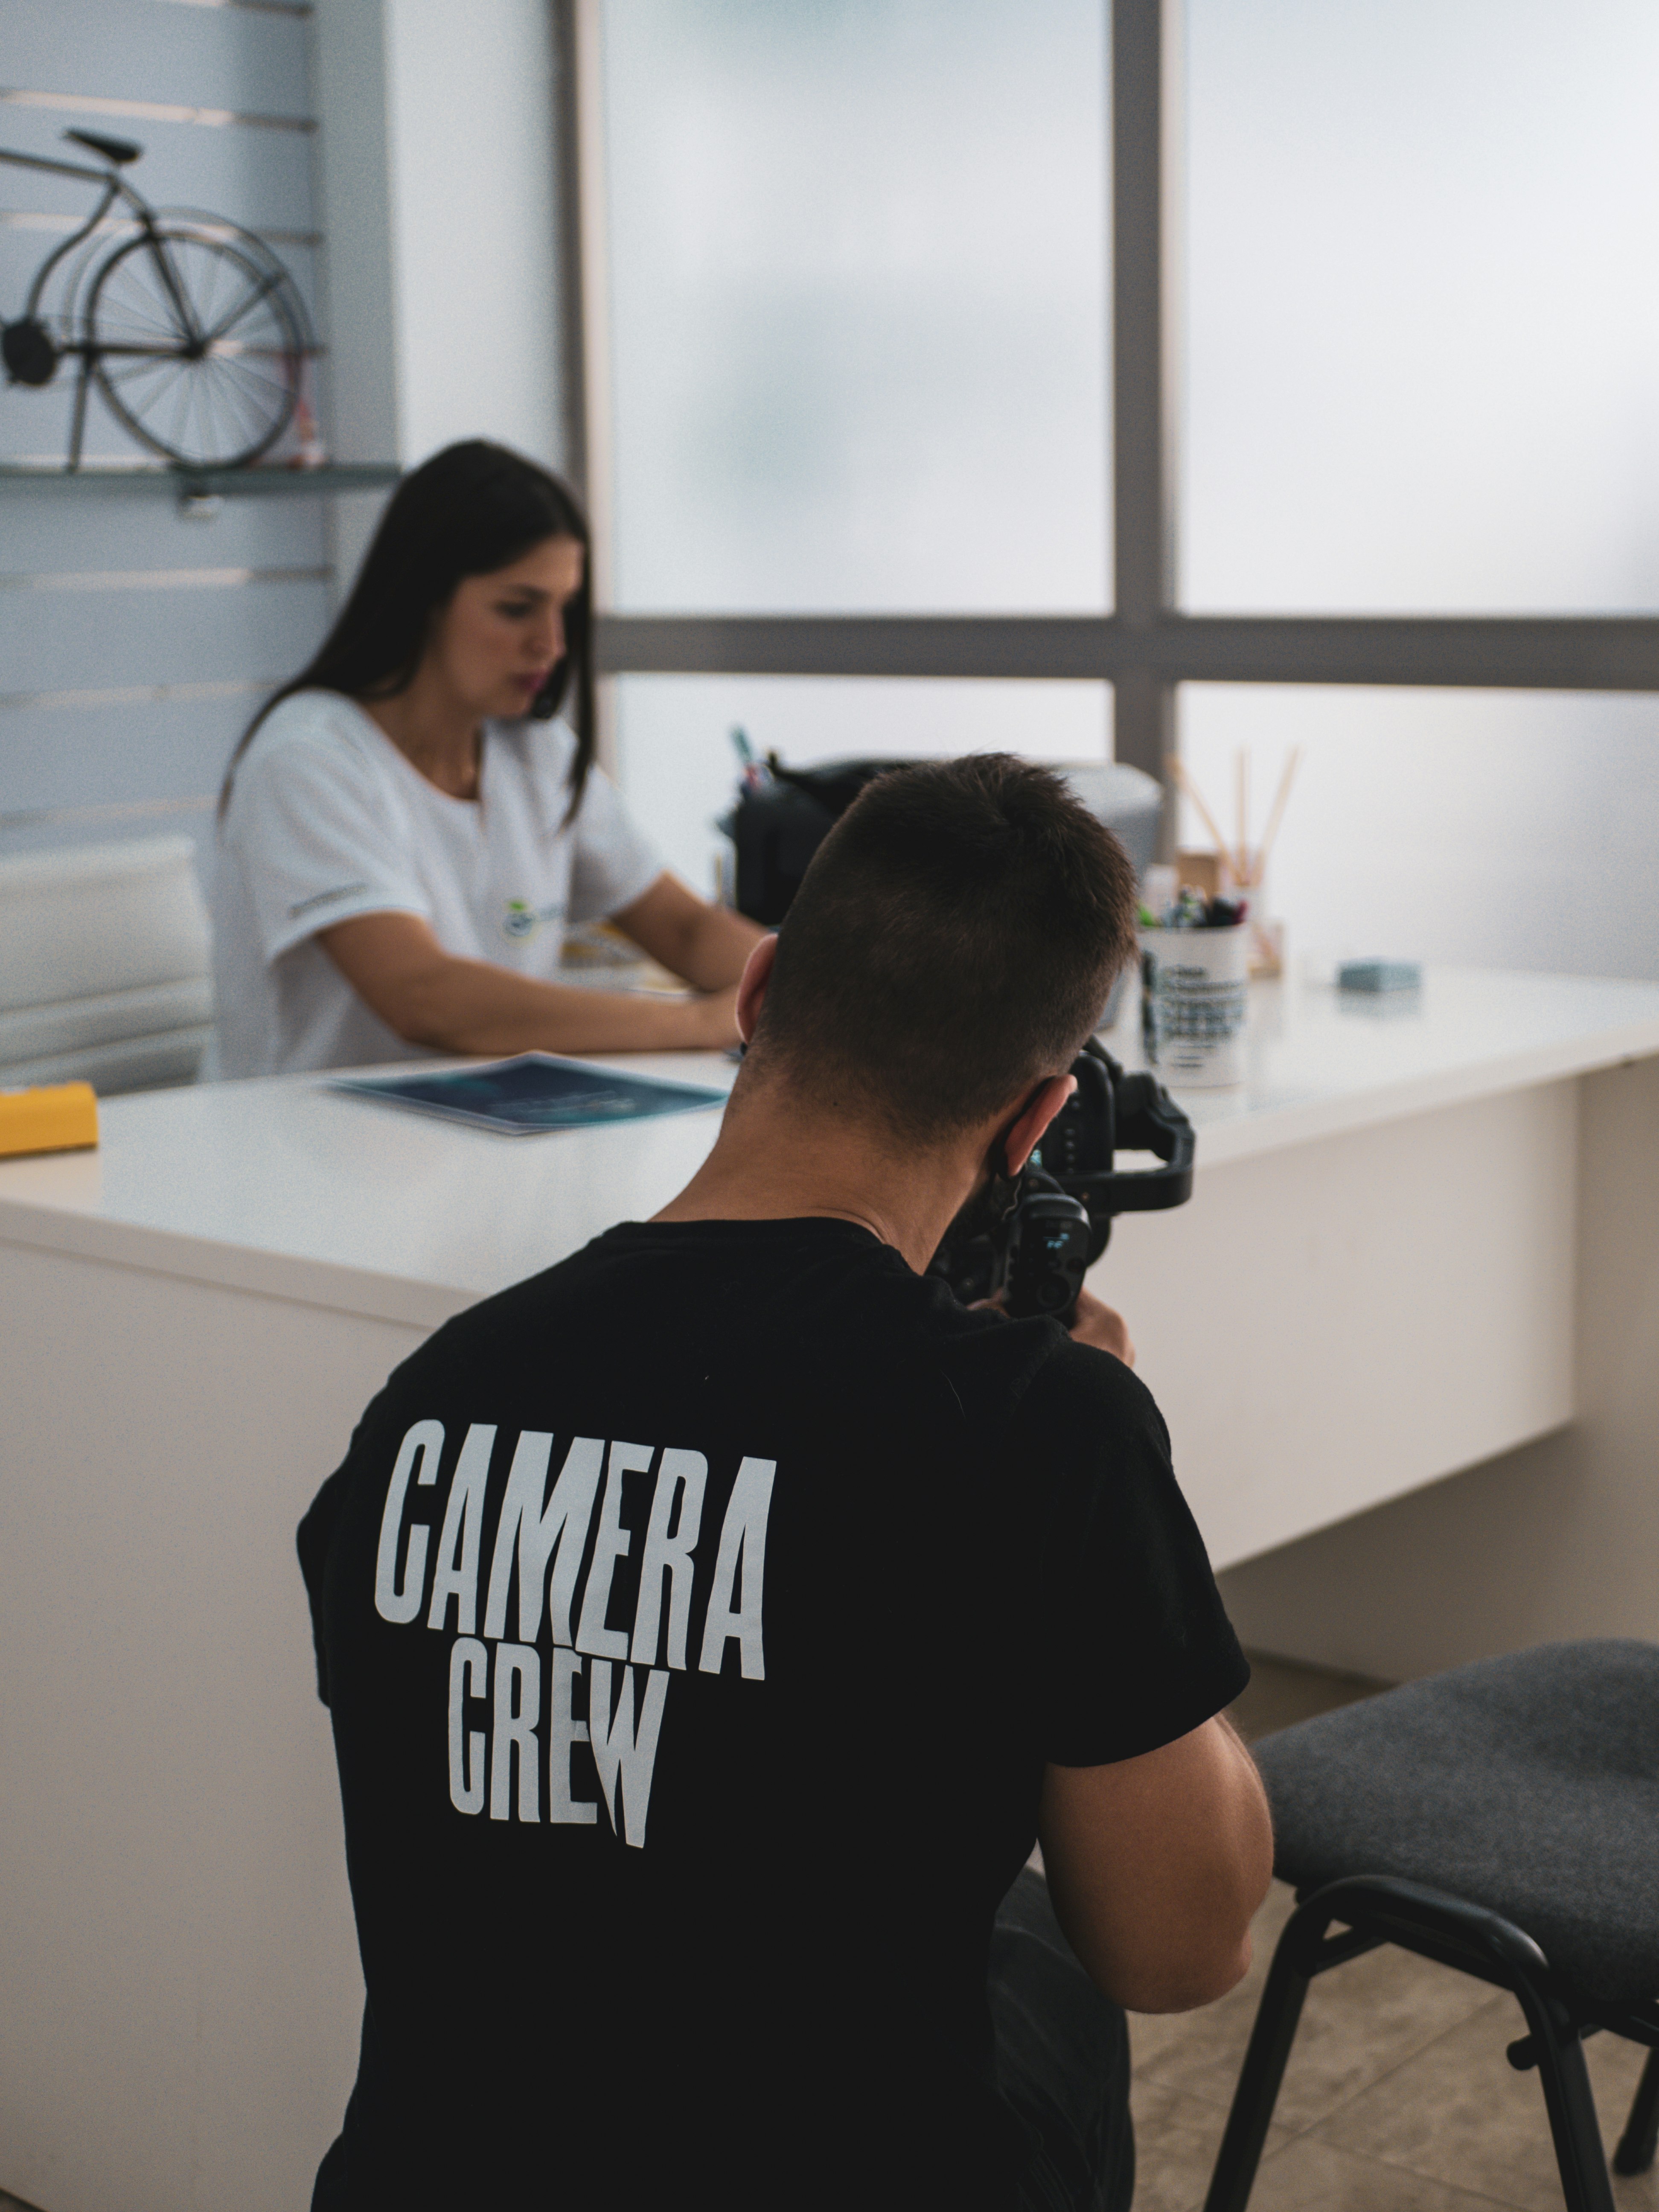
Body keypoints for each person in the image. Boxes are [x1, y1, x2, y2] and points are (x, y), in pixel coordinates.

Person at [297, 755, 1273, 2211]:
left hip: (424, 2176)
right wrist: (1115, 1479)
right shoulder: (1039, 1424)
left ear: (754, 1000)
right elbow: (1182, 1947)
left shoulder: (430, 1397)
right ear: (1032, 1122)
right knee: (1045, 1956)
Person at [212, 440, 761, 1078]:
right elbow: (425, 997)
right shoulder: (308, 758)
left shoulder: (534, 748)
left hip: (487, 1133)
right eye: (517, 609)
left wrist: (818, 998)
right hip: (311, 1152)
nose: (551, 644)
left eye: (565, 610)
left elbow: (686, 928)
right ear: (425, 598)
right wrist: (697, 1024)